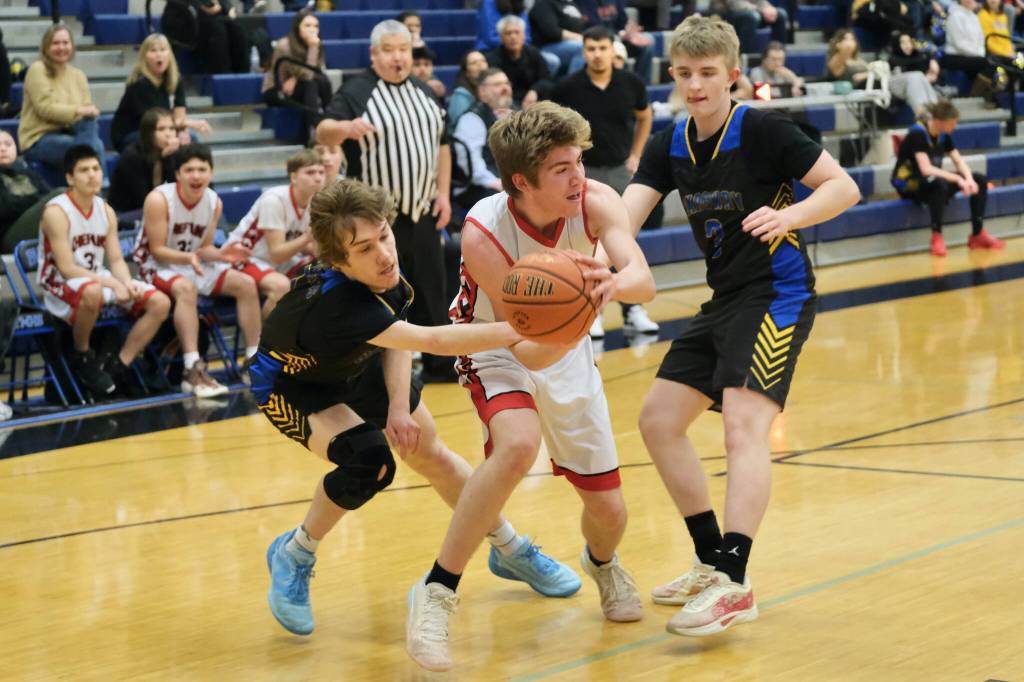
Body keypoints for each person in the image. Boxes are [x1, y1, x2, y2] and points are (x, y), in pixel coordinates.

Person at [253, 177, 579, 638]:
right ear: (339, 261)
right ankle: (296, 551)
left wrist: (399, 409)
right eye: (364, 249)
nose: (384, 254)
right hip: (296, 385)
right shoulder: (338, 306)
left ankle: (508, 548)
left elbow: (397, 335)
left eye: (384, 235)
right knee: (369, 462)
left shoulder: (386, 279)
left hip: (357, 363)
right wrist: (525, 325)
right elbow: (430, 339)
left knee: (434, 455)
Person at [620, 16, 859, 637]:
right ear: (672, 75)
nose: (695, 85)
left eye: (707, 74)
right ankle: (709, 561)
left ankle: (734, 580)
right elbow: (628, 215)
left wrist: (793, 217)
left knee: (742, 424)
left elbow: (844, 187)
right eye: (684, 74)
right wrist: (599, 262)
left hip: (778, 294)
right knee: (658, 421)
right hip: (726, 298)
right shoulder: (670, 142)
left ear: (732, 76)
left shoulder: (762, 129)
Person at [405, 102, 657, 672]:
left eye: (580, 162)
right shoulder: (482, 233)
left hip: (567, 346)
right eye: (563, 168)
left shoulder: (595, 201)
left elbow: (643, 282)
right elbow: (528, 347)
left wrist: (609, 288)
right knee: (518, 445)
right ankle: (438, 589)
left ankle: (603, 562)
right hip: (496, 343)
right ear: (522, 181)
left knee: (610, 514)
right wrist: (576, 315)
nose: (579, 176)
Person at [316, 20, 454, 383]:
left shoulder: (426, 91)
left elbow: (444, 144)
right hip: (375, 219)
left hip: (422, 209)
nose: (398, 57)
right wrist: (346, 129)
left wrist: (443, 192)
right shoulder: (357, 91)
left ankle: (440, 364)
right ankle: (374, 368)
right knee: (379, 291)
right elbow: (322, 130)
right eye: (389, 50)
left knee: (431, 289)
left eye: (404, 49)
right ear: (374, 54)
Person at [38, 145, 172, 397]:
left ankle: (120, 364)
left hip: (96, 277)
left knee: (160, 302)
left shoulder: (106, 210)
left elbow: (117, 260)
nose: (92, 175)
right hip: (58, 282)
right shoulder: (56, 212)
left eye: (96, 169)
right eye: (84, 170)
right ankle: (83, 355)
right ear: (69, 178)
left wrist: (125, 282)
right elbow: (67, 269)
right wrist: (112, 285)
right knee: (93, 292)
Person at [551, 26, 659, 337]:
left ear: (613, 50)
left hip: (620, 171)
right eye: (591, 49)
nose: (597, 54)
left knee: (625, 242)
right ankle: (590, 308)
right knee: (584, 243)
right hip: (582, 176)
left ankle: (632, 309)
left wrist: (636, 153)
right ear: (583, 52)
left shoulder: (631, 82)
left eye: (602, 48)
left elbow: (645, 116)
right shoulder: (567, 88)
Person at [133, 143, 261, 396]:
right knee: (186, 289)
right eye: (189, 169)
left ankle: (253, 361)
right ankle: (192, 369)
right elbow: (157, 249)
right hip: (155, 265)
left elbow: (204, 249)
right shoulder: (159, 199)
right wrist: (189, 257)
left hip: (191, 263)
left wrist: (223, 253)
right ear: (178, 174)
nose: (196, 175)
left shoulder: (214, 202)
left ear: (211, 173)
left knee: (246, 283)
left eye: (202, 169)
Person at [891, 100, 1005, 256]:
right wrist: (958, 179)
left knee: (980, 179)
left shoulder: (943, 136)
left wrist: (969, 179)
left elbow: (958, 161)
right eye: (952, 123)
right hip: (909, 184)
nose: (954, 127)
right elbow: (926, 169)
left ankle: (977, 235)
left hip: (930, 182)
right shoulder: (917, 133)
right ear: (939, 122)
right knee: (939, 183)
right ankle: (937, 237)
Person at [226, 149, 325, 318]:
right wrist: (308, 237)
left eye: (321, 172)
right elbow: (277, 254)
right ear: (293, 177)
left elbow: (312, 249)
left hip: (276, 261)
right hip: (244, 258)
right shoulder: (274, 201)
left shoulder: (316, 201)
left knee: (322, 272)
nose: (317, 177)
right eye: (310, 172)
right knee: (280, 286)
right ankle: (267, 340)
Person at [17, 24, 104, 175]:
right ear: (46, 47)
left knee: (90, 128)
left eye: (65, 43)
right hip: (39, 138)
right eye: (55, 43)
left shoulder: (78, 75)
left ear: (72, 46)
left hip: (71, 131)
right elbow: (45, 108)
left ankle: (90, 189)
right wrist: (79, 110)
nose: (61, 47)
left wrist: (88, 112)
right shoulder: (38, 69)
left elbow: (85, 113)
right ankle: (98, 192)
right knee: (94, 147)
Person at [111, 33, 212, 153]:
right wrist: (190, 124)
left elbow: (179, 115)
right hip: (134, 133)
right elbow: (154, 122)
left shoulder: (175, 80)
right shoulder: (139, 85)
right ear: (145, 58)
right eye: (153, 51)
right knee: (165, 140)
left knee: (190, 138)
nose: (159, 54)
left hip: (163, 128)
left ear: (170, 54)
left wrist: (182, 129)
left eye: (163, 50)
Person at [263, 10, 332, 140]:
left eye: (315, 26)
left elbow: (316, 72)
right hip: (276, 89)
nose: (313, 30)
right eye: (307, 25)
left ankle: (327, 119)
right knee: (310, 84)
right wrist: (312, 48)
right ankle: (319, 127)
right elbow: (307, 75)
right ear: (297, 27)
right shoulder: (284, 45)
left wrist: (295, 78)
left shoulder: (317, 44)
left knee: (321, 81)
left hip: (300, 86)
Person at [452, 68, 512, 210]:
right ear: (482, 92)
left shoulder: (514, 113)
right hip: (475, 187)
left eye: (507, 83)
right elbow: (470, 165)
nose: (505, 88)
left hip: (503, 180)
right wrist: (496, 182)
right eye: (497, 85)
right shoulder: (472, 118)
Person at [108, 108, 179, 219]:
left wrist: (168, 158)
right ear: (148, 133)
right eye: (161, 129)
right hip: (125, 213)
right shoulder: (132, 156)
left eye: (171, 129)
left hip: (152, 209)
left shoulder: (170, 153)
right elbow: (144, 199)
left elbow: (175, 188)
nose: (168, 134)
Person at [0, 130, 53, 250]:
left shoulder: (28, 173)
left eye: (8, 144)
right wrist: (37, 199)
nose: (3, 149)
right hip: (8, 235)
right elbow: (7, 206)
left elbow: (50, 195)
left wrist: (35, 200)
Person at [485, 15, 554, 107]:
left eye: (517, 32)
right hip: (506, 105)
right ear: (501, 38)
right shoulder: (492, 58)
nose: (513, 37)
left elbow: (547, 79)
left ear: (524, 36)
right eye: (508, 33)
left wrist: (534, 91)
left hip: (534, 101)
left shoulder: (533, 53)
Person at [942, 0, 1000, 98]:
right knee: (988, 63)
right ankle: (974, 97)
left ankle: (984, 95)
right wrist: (977, 54)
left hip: (973, 56)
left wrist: (980, 54)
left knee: (994, 61)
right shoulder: (954, 16)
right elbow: (959, 44)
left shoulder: (974, 17)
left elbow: (981, 40)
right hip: (954, 56)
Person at [709, 0, 789, 55]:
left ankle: (778, 53)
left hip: (750, 12)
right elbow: (736, 5)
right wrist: (762, 10)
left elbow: (760, 1)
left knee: (781, 14)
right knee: (753, 17)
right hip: (725, 15)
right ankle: (746, 56)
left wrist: (769, 8)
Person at [530, 0, 587, 76]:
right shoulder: (543, 3)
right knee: (583, 47)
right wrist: (582, 38)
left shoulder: (570, 3)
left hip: (571, 45)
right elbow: (552, 31)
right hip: (547, 47)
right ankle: (572, 85)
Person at [194, 0, 250, 75]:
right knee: (219, 31)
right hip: (199, 24)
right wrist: (205, 8)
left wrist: (230, 9)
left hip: (221, 19)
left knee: (238, 29)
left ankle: (243, 74)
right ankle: (223, 76)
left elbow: (227, 7)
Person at [448, 50, 489, 125]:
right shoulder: (460, 95)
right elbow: (460, 125)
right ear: (466, 72)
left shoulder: (493, 88)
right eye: (474, 63)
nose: (480, 64)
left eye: (483, 61)